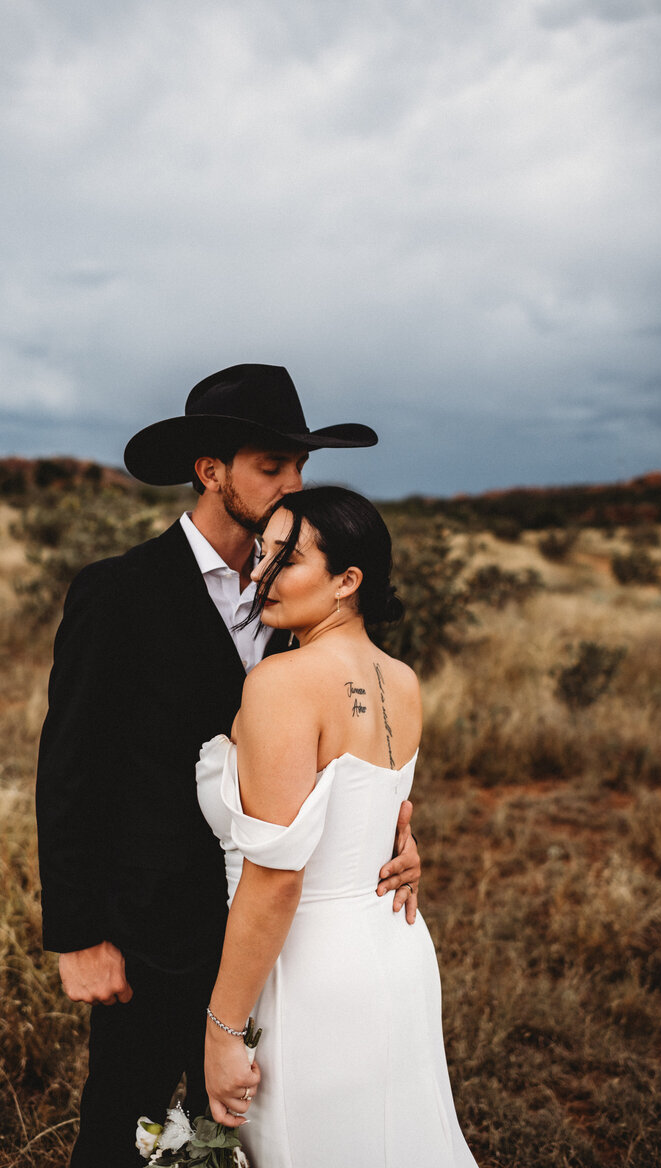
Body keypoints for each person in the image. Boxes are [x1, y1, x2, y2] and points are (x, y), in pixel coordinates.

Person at [35, 364, 422, 1167]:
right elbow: (71, 768)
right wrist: (79, 935)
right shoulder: (119, 592)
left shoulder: (304, 598)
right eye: (272, 467)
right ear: (212, 472)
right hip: (150, 932)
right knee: (126, 1128)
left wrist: (392, 836)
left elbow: (339, 752)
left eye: (300, 469)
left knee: (253, 1132)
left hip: (283, 940)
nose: (292, 486)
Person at [197, 486, 478, 1167]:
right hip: (395, 946)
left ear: (348, 581)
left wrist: (222, 1031)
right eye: (261, 556)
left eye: (286, 561)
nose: (261, 575)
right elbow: (374, 815)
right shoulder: (403, 679)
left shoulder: (282, 682)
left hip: (306, 967)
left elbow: (277, 879)